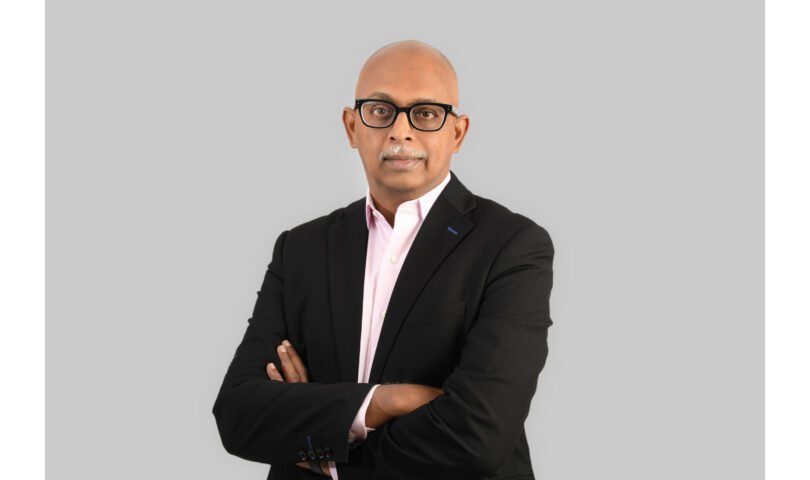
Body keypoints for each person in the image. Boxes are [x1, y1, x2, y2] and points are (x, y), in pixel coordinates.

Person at [212, 39, 555, 480]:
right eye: (380, 110)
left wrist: (324, 446)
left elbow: (477, 436)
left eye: (426, 113)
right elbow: (237, 414)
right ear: (351, 126)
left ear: (458, 133)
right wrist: (385, 401)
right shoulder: (299, 249)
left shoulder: (512, 246)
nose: (400, 131)